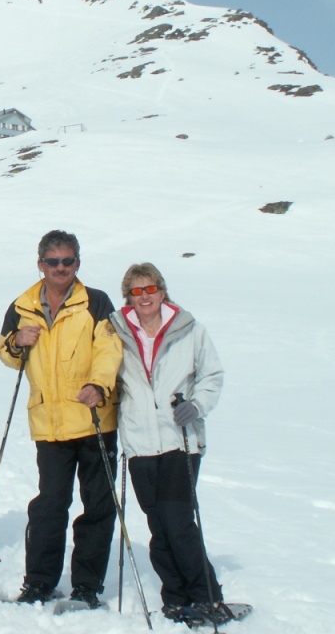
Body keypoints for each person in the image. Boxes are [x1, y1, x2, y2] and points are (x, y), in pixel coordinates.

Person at [0, 230, 122, 607]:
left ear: (77, 263)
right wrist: (17, 341)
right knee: (49, 506)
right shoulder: (22, 305)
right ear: (41, 264)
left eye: (67, 261)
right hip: (49, 424)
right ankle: (39, 582)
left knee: (97, 506)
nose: (60, 267)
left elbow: (110, 349)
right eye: (53, 261)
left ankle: (87, 585)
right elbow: (6, 353)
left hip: (94, 418)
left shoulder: (96, 302)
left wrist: (99, 385)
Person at [108, 262, 229, 624]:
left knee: (178, 522)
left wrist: (197, 405)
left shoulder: (189, 329)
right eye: (137, 291)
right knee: (159, 526)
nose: (145, 297)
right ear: (128, 296)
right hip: (140, 444)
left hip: (181, 440)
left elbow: (212, 374)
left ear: (162, 291)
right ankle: (175, 596)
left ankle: (206, 595)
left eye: (151, 289)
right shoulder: (116, 332)